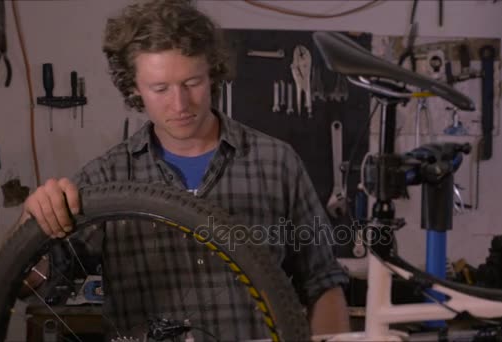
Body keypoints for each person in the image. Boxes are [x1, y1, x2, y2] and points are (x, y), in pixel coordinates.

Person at [18, 0, 350, 340]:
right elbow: (33, 283)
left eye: (192, 82)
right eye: (160, 89)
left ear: (214, 74)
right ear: (134, 87)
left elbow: (322, 283)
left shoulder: (277, 163)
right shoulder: (106, 178)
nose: (179, 105)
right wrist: (32, 225)